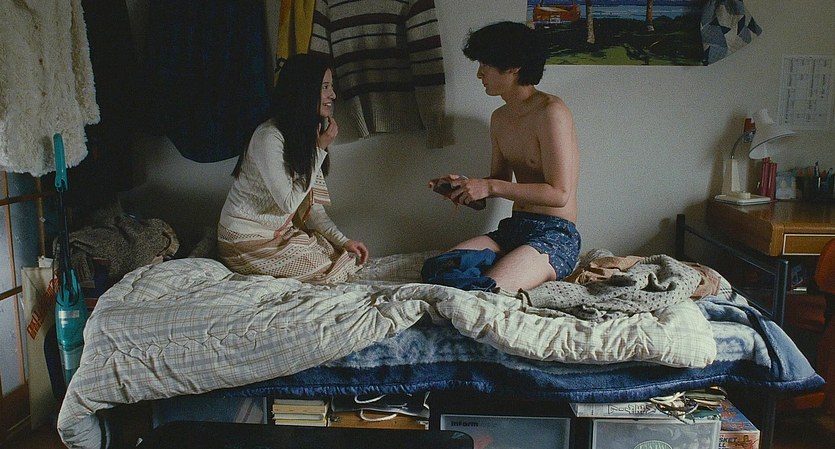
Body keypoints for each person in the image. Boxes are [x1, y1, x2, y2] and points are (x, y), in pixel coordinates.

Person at [427, 21, 581, 293]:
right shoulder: (499, 118)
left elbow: (559, 194)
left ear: (513, 67)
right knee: (438, 268)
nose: (479, 73)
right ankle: (507, 264)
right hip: (513, 229)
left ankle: (517, 269)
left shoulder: (551, 112)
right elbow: (498, 181)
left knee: (487, 291)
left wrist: (489, 186)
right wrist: (466, 189)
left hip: (554, 234)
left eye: (485, 64)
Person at [217, 53, 368, 283]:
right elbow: (288, 203)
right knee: (330, 271)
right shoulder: (269, 136)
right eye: (325, 87)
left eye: (331, 87)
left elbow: (311, 207)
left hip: (275, 235)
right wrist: (319, 149)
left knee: (337, 253)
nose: (333, 95)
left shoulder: (305, 134)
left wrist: (344, 240)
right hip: (243, 241)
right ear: (304, 91)